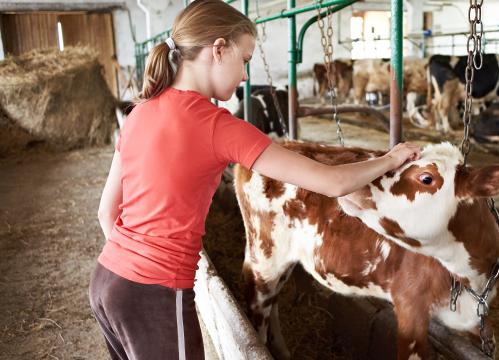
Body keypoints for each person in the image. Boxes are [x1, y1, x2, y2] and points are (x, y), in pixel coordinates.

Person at [89, 1, 422, 359]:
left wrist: (132, 270)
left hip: (107, 282)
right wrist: (391, 158)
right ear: (218, 49)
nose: (246, 76)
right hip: (155, 293)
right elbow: (331, 182)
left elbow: (106, 213)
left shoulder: (140, 111)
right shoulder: (218, 127)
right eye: (245, 60)